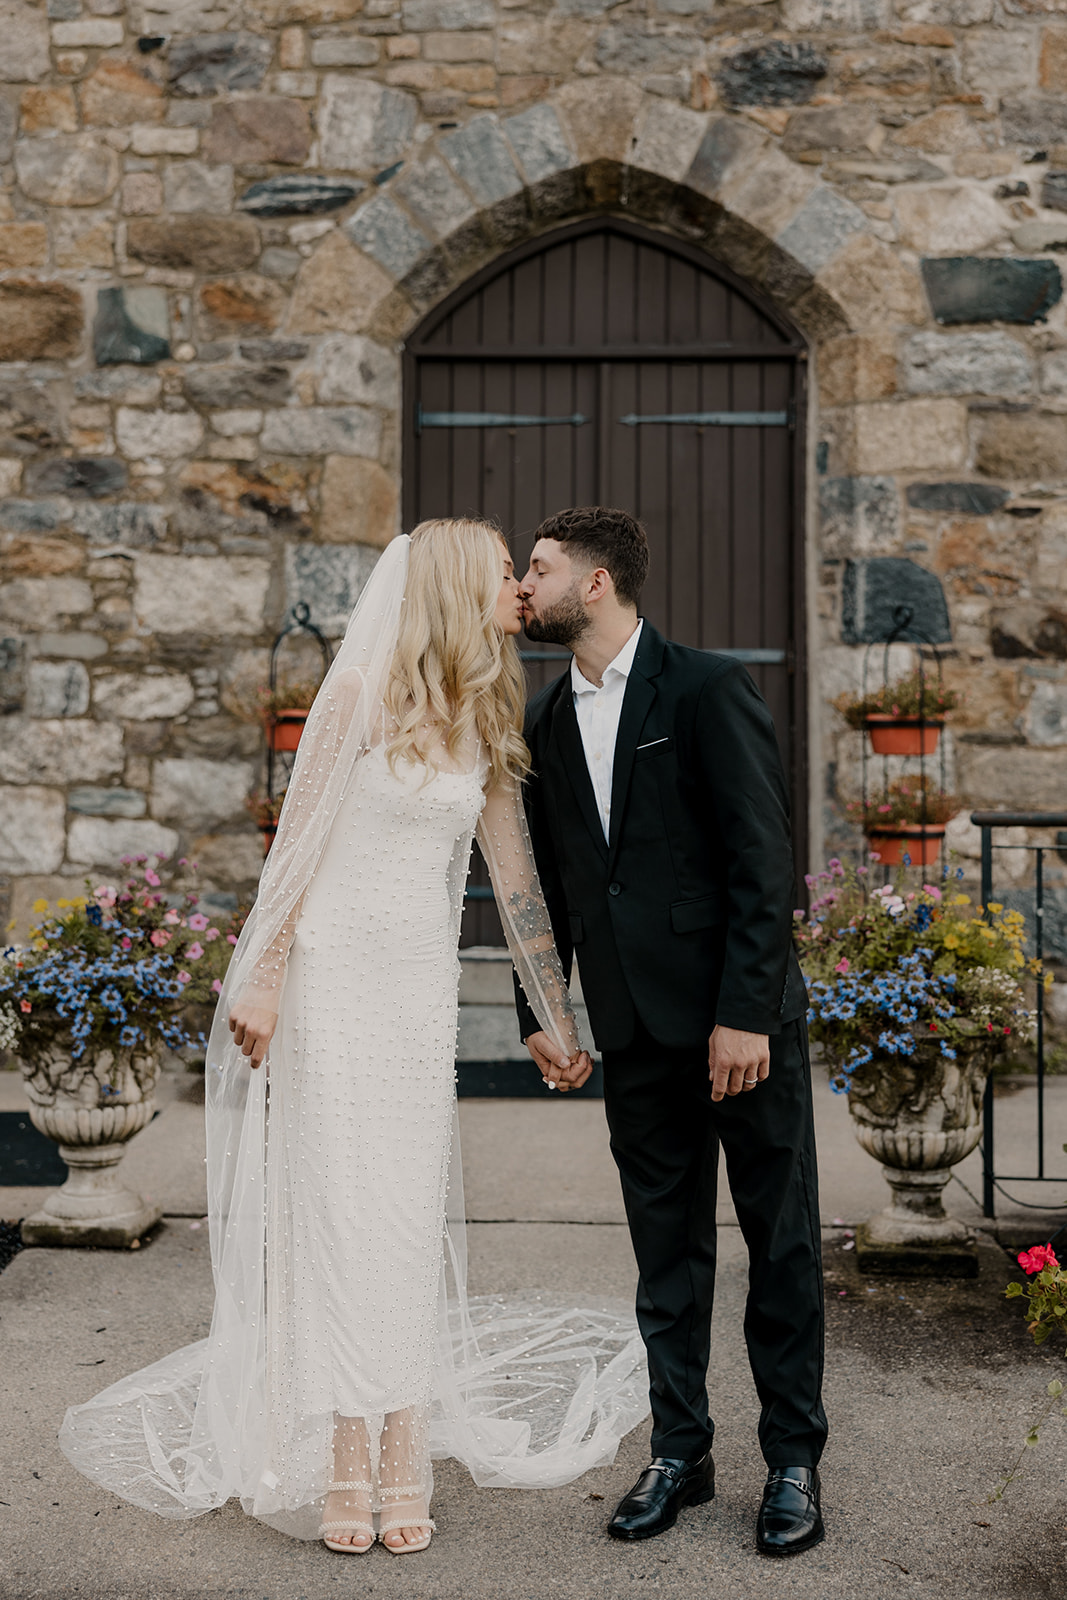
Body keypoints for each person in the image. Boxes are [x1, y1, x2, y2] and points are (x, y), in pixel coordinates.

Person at [59, 519, 648, 1555]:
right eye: (505, 573)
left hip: (414, 997)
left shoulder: (485, 715)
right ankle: (342, 1453)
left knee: (402, 1216)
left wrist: (555, 1018)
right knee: (331, 1214)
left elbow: (511, 881)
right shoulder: (358, 696)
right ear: (457, 587)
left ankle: (404, 1447)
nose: (519, 587)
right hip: (331, 986)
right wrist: (267, 973)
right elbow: (296, 848)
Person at [515, 506, 827, 1558]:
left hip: (739, 1028)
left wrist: (745, 1011)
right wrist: (542, 1012)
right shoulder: (546, 722)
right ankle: (679, 1451)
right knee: (665, 1254)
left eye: (539, 567)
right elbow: (550, 889)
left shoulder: (703, 686)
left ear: (594, 583)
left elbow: (760, 860)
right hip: (634, 1032)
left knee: (778, 1243)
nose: (524, 582)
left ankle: (791, 1459)